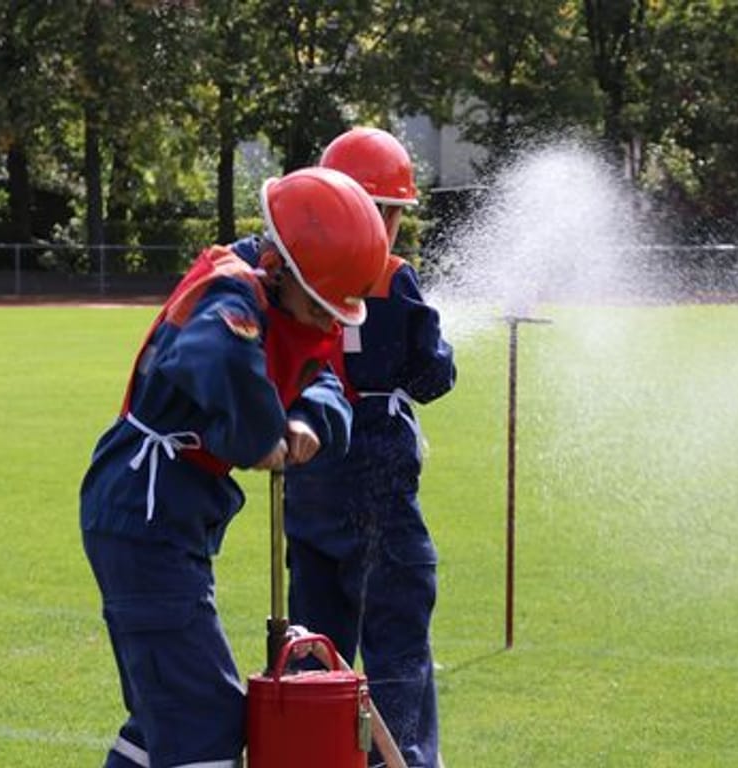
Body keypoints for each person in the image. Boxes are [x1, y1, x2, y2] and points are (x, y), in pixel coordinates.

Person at [80, 166, 389, 768]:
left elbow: (326, 381)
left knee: (163, 714)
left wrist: (307, 423)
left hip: (163, 518)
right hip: (143, 510)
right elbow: (215, 360)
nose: (330, 322)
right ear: (282, 268)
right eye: (323, 305)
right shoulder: (229, 297)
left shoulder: (296, 308)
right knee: (203, 721)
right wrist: (262, 436)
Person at [283, 127, 457, 768]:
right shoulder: (391, 275)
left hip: (310, 473)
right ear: (379, 211)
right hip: (378, 478)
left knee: (315, 644)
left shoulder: (295, 273)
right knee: (397, 640)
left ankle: (311, 754)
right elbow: (430, 376)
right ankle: (399, 760)